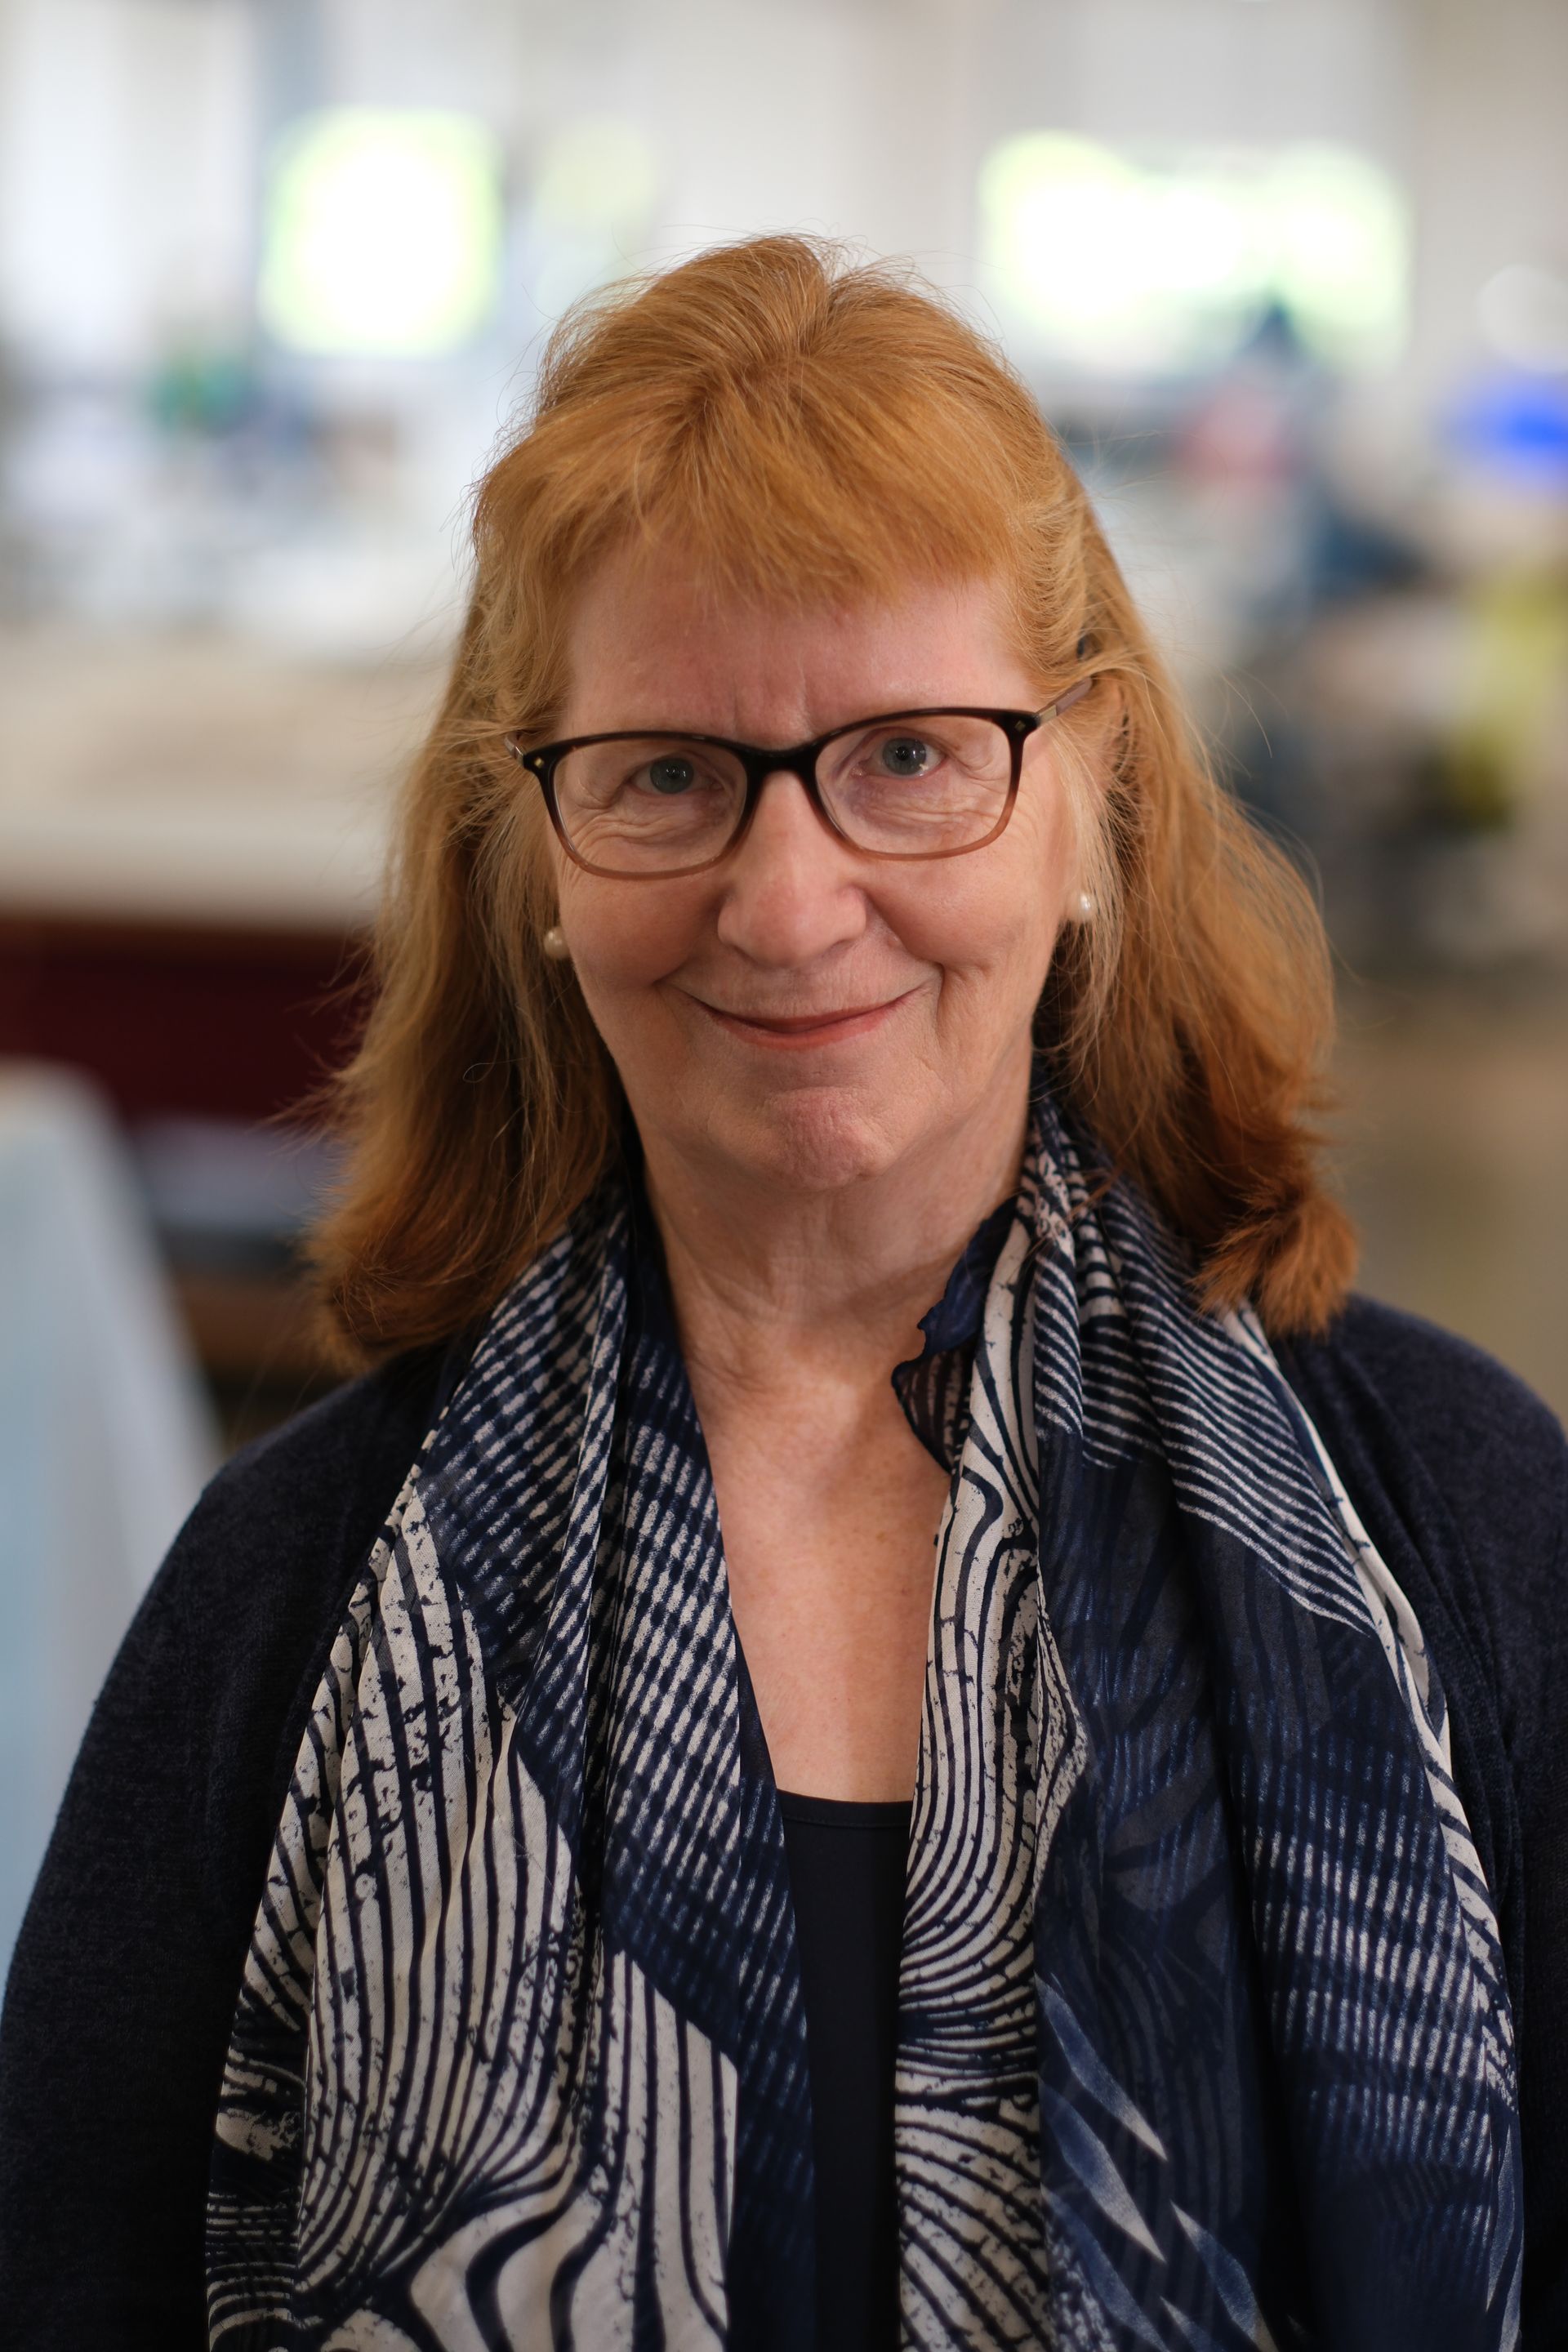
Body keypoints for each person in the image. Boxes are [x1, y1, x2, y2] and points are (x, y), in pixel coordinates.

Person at [1, 235, 1563, 2352]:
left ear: (1086, 799)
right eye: (667, 773)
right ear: (543, 860)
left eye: (911, 754)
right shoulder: (288, 1593)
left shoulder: (1461, 1524)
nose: (790, 897)